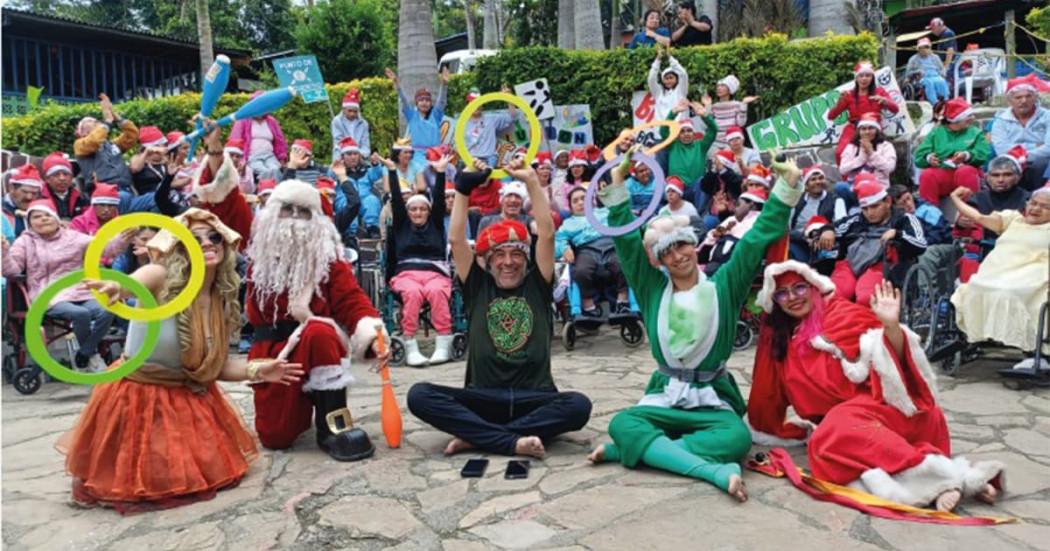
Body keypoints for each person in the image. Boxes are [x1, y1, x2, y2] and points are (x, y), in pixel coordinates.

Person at [586, 151, 804, 502]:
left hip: (712, 399)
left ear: (694, 244)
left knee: (737, 439)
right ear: (659, 258)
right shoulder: (652, 287)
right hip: (666, 395)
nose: (678, 256)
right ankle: (710, 471)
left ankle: (635, 451)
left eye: (683, 246)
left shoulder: (725, 284)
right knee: (622, 423)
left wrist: (788, 184)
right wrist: (616, 185)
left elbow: (755, 240)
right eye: (668, 252)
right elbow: (627, 245)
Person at [57, 208, 303, 513]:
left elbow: (216, 367)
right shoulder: (162, 277)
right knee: (141, 482)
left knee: (204, 474)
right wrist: (118, 287)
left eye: (214, 237)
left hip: (188, 396)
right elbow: (138, 279)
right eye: (194, 238)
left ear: (225, 246)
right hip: (139, 395)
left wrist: (260, 369)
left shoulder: (221, 298)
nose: (207, 243)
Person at [188, 120, 387, 461]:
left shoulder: (328, 258)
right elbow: (223, 201)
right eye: (286, 210)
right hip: (272, 353)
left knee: (320, 332)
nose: (293, 220)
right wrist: (216, 151)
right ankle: (300, 409)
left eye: (303, 212)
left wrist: (372, 334)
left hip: (315, 343)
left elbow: (350, 300)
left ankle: (333, 424)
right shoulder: (256, 241)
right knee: (276, 437)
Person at [748, 261, 1004, 512]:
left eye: (800, 287)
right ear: (776, 302)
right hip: (852, 430)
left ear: (815, 286)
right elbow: (768, 392)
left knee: (834, 430)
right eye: (782, 292)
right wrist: (766, 426)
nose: (792, 297)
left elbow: (897, 364)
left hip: (894, 412)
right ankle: (958, 478)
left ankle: (941, 481)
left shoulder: (843, 314)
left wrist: (891, 326)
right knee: (825, 447)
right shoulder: (785, 342)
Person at [407, 159, 592, 459]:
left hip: (535, 398)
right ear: (487, 261)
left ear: (526, 258)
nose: (508, 261)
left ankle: (480, 437)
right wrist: (463, 189)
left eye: (516, 253)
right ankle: (511, 439)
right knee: (419, 395)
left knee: (579, 406)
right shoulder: (477, 286)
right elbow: (455, 239)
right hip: (483, 399)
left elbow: (546, 234)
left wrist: (532, 180)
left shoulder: (538, 284)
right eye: (499, 254)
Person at [2, 200, 119, 372]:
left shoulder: (74, 237)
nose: (43, 219)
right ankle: (92, 356)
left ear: (56, 219)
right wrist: (3, 251)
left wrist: (123, 237)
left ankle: (85, 353)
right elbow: (11, 271)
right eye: (37, 217)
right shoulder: (25, 242)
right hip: (48, 293)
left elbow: (106, 249)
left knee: (108, 308)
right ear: (29, 222)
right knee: (81, 314)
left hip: (80, 290)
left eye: (47, 215)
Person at [950, 185, 1050, 363]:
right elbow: (979, 217)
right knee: (974, 288)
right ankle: (974, 336)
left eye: (1045, 207)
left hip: (1031, 275)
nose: (1035, 209)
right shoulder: (1012, 219)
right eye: (1033, 203)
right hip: (997, 271)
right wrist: (956, 199)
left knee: (1010, 293)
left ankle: (1032, 349)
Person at [381, 153, 455, 366]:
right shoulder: (402, 226)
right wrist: (392, 171)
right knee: (412, 294)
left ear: (429, 211)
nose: (418, 212)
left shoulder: (436, 225)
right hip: (406, 274)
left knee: (437, 292)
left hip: (435, 273)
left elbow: (440, 199)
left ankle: (443, 343)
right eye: (413, 209)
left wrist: (441, 172)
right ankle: (410, 343)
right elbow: (396, 197)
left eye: (423, 208)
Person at [820, 176, 927, 305]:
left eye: (875, 206)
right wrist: (827, 230)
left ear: (887, 202)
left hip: (882, 266)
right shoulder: (857, 220)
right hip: (850, 263)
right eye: (865, 209)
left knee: (866, 298)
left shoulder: (905, 219)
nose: (870, 213)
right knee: (832, 295)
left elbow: (921, 244)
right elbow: (834, 227)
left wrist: (897, 234)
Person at [556, 187, 631, 321]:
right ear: (571, 207)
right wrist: (564, 248)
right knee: (580, 271)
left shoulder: (605, 212)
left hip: (610, 244)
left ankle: (622, 301)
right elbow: (559, 239)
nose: (580, 203)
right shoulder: (568, 223)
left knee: (622, 264)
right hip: (586, 250)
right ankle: (589, 306)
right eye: (575, 201)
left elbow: (623, 218)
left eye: (583, 199)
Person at [914, 97, 991, 205]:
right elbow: (919, 156)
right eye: (967, 116)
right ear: (955, 119)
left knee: (965, 171)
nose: (972, 118)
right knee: (927, 175)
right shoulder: (936, 133)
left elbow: (984, 155)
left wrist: (967, 156)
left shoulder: (975, 132)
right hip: (943, 173)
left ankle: (971, 212)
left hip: (967, 175)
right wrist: (928, 158)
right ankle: (930, 214)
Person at [826, 62, 900, 164]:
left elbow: (895, 109)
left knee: (878, 154)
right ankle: (848, 179)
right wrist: (840, 100)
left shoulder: (879, 92)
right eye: (861, 75)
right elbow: (831, 116)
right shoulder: (849, 95)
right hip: (854, 128)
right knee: (840, 153)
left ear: (872, 78)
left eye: (868, 75)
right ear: (856, 78)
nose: (864, 79)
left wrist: (885, 101)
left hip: (873, 128)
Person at [990, 75, 1050, 192]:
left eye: (1028, 96)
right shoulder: (1001, 119)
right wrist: (1034, 146)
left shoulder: (1047, 116)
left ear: (1035, 98)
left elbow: (1048, 148)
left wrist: (1020, 153)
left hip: (1042, 161)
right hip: (1010, 160)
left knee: (1040, 164)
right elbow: (1001, 149)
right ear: (1010, 100)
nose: (1024, 101)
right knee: (1003, 168)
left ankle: (1035, 199)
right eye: (1018, 97)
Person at [74, 93, 137, 193]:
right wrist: (107, 121)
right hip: (105, 193)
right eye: (89, 121)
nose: (96, 122)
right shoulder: (80, 144)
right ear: (82, 131)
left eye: (96, 121)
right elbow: (94, 141)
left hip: (126, 188)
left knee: (155, 200)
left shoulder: (112, 144)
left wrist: (116, 116)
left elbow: (132, 136)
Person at [699, 187, 767, 276]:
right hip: (715, 263)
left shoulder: (758, 223)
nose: (734, 208)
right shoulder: (733, 220)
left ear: (751, 205)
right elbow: (715, 234)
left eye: (738, 204)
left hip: (735, 268)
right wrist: (716, 233)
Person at [387, 67, 450, 163]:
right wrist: (396, 83)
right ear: (416, 103)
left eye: (427, 100)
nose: (424, 103)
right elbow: (404, 100)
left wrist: (444, 84)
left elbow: (441, 101)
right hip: (417, 157)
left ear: (431, 103)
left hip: (435, 155)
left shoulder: (436, 115)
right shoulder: (411, 115)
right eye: (421, 100)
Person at [788, 165, 847, 263]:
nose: (818, 182)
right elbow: (787, 229)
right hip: (799, 241)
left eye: (820, 178)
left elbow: (842, 223)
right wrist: (804, 237)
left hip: (825, 242)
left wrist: (826, 232)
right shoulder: (796, 201)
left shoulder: (836, 200)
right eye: (813, 179)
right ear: (806, 185)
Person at [330, 139, 383, 240]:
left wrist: (376, 165)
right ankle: (351, 233)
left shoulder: (365, 170)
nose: (353, 157)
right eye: (349, 154)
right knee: (347, 204)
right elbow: (329, 179)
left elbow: (377, 174)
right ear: (342, 157)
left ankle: (372, 228)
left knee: (372, 200)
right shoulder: (337, 170)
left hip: (364, 198)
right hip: (345, 198)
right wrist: (334, 169)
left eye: (355, 154)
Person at [229, 92, 288, 181]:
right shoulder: (242, 120)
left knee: (275, 169)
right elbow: (235, 141)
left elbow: (280, 141)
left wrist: (282, 157)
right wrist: (239, 160)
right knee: (264, 171)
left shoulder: (271, 121)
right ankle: (264, 191)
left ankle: (276, 191)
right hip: (252, 156)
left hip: (269, 155)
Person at [666, 100, 719, 189]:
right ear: (678, 135)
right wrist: (673, 113)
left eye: (689, 130)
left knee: (702, 183)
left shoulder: (701, 146)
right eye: (682, 131)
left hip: (696, 188)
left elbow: (713, 130)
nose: (686, 133)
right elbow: (663, 130)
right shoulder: (673, 145)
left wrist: (704, 116)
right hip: (677, 188)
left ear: (694, 134)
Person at [463, 87, 518, 167]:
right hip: (471, 159)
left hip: (489, 159)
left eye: (478, 103)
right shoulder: (462, 123)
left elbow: (512, 116)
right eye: (472, 102)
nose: (476, 106)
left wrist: (509, 98)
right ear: (467, 104)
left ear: (482, 105)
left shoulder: (491, 118)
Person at [838, 113, 897, 186]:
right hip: (855, 186)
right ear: (859, 132)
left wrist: (871, 153)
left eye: (871, 128)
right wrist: (861, 158)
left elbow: (889, 168)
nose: (867, 132)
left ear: (877, 130)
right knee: (840, 187)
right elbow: (843, 170)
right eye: (863, 129)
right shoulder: (852, 147)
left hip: (878, 186)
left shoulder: (886, 146)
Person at [706, 77, 758, 148]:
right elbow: (708, 123)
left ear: (730, 89)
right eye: (718, 86)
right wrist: (707, 106)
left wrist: (744, 104)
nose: (719, 88)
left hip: (732, 143)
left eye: (723, 86)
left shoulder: (737, 105)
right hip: (715, 143)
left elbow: (741, 123)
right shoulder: (714, 106)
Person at [40, 152, 89, 221]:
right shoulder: (39, 197)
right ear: (47, 179)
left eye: (66, 174)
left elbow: (88, 219)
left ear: (72, 177)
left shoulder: (82, 197)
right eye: (56, 174)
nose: (62, 178)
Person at [648, 49, 689, 124]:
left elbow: (683, 74)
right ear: (663, 80)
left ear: (677, 79)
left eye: (671, 78)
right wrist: (658, 60)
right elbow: (651, 78)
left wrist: (670, 58)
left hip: (679, 130)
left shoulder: (681, 90)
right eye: (666, 78)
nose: (669, 80)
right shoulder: (658, 92)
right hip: (661, 130)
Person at [330, 88, 372, 162]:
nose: (352, 114)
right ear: (343, 109)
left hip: (360, 158)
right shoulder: (337, 121)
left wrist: (359, 155)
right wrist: (350, 156)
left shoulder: (364, 124)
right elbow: (339, 142)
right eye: (349, 111)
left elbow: (365, 144)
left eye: (355, 111)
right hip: (341, 157)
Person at [3, 164, 43, 238]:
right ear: (11, 188)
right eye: (25, 192)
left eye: (34, 193)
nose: (29, 197)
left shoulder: (41, 211)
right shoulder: (2, 211)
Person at [905, 38, 949, 104]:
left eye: (926, 47)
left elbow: (942, 68)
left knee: (942, 81)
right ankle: (935, 103)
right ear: (918, 49)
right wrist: (917, 71)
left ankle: (945, 100)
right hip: (922, 78)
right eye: (921, 48)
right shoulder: (913, 59)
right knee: (929, 83)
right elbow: (908, 72)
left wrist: (943, 74)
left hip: (935, 75)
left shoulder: (935, 57)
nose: (924, 49)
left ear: (930, 48)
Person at [130, 126, 171, 195]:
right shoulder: (138, 158)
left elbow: (172, 183)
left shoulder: (164, 161)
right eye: (160, 145)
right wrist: (147, 151)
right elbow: (135, 168)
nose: (164, 147)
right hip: (148, 198)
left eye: (164, 145)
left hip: (165, 197)